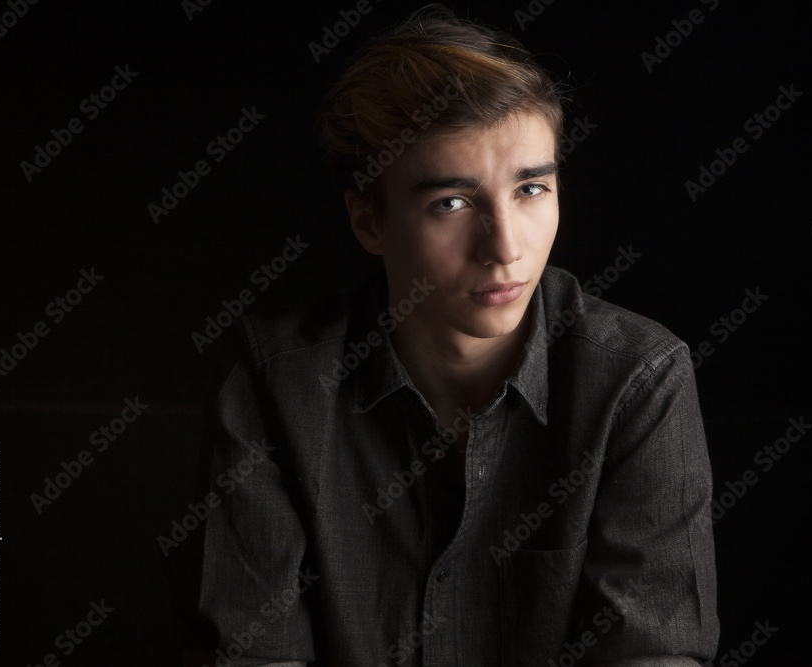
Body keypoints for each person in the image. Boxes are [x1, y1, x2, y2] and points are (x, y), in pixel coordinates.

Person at [195, 6, 718, 665]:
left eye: (530, 189)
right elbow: (252, 656)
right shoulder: (275, 379)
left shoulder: (639, 379)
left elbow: (651, 656)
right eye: (453, 202)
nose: (504, 247)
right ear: (368, 222)